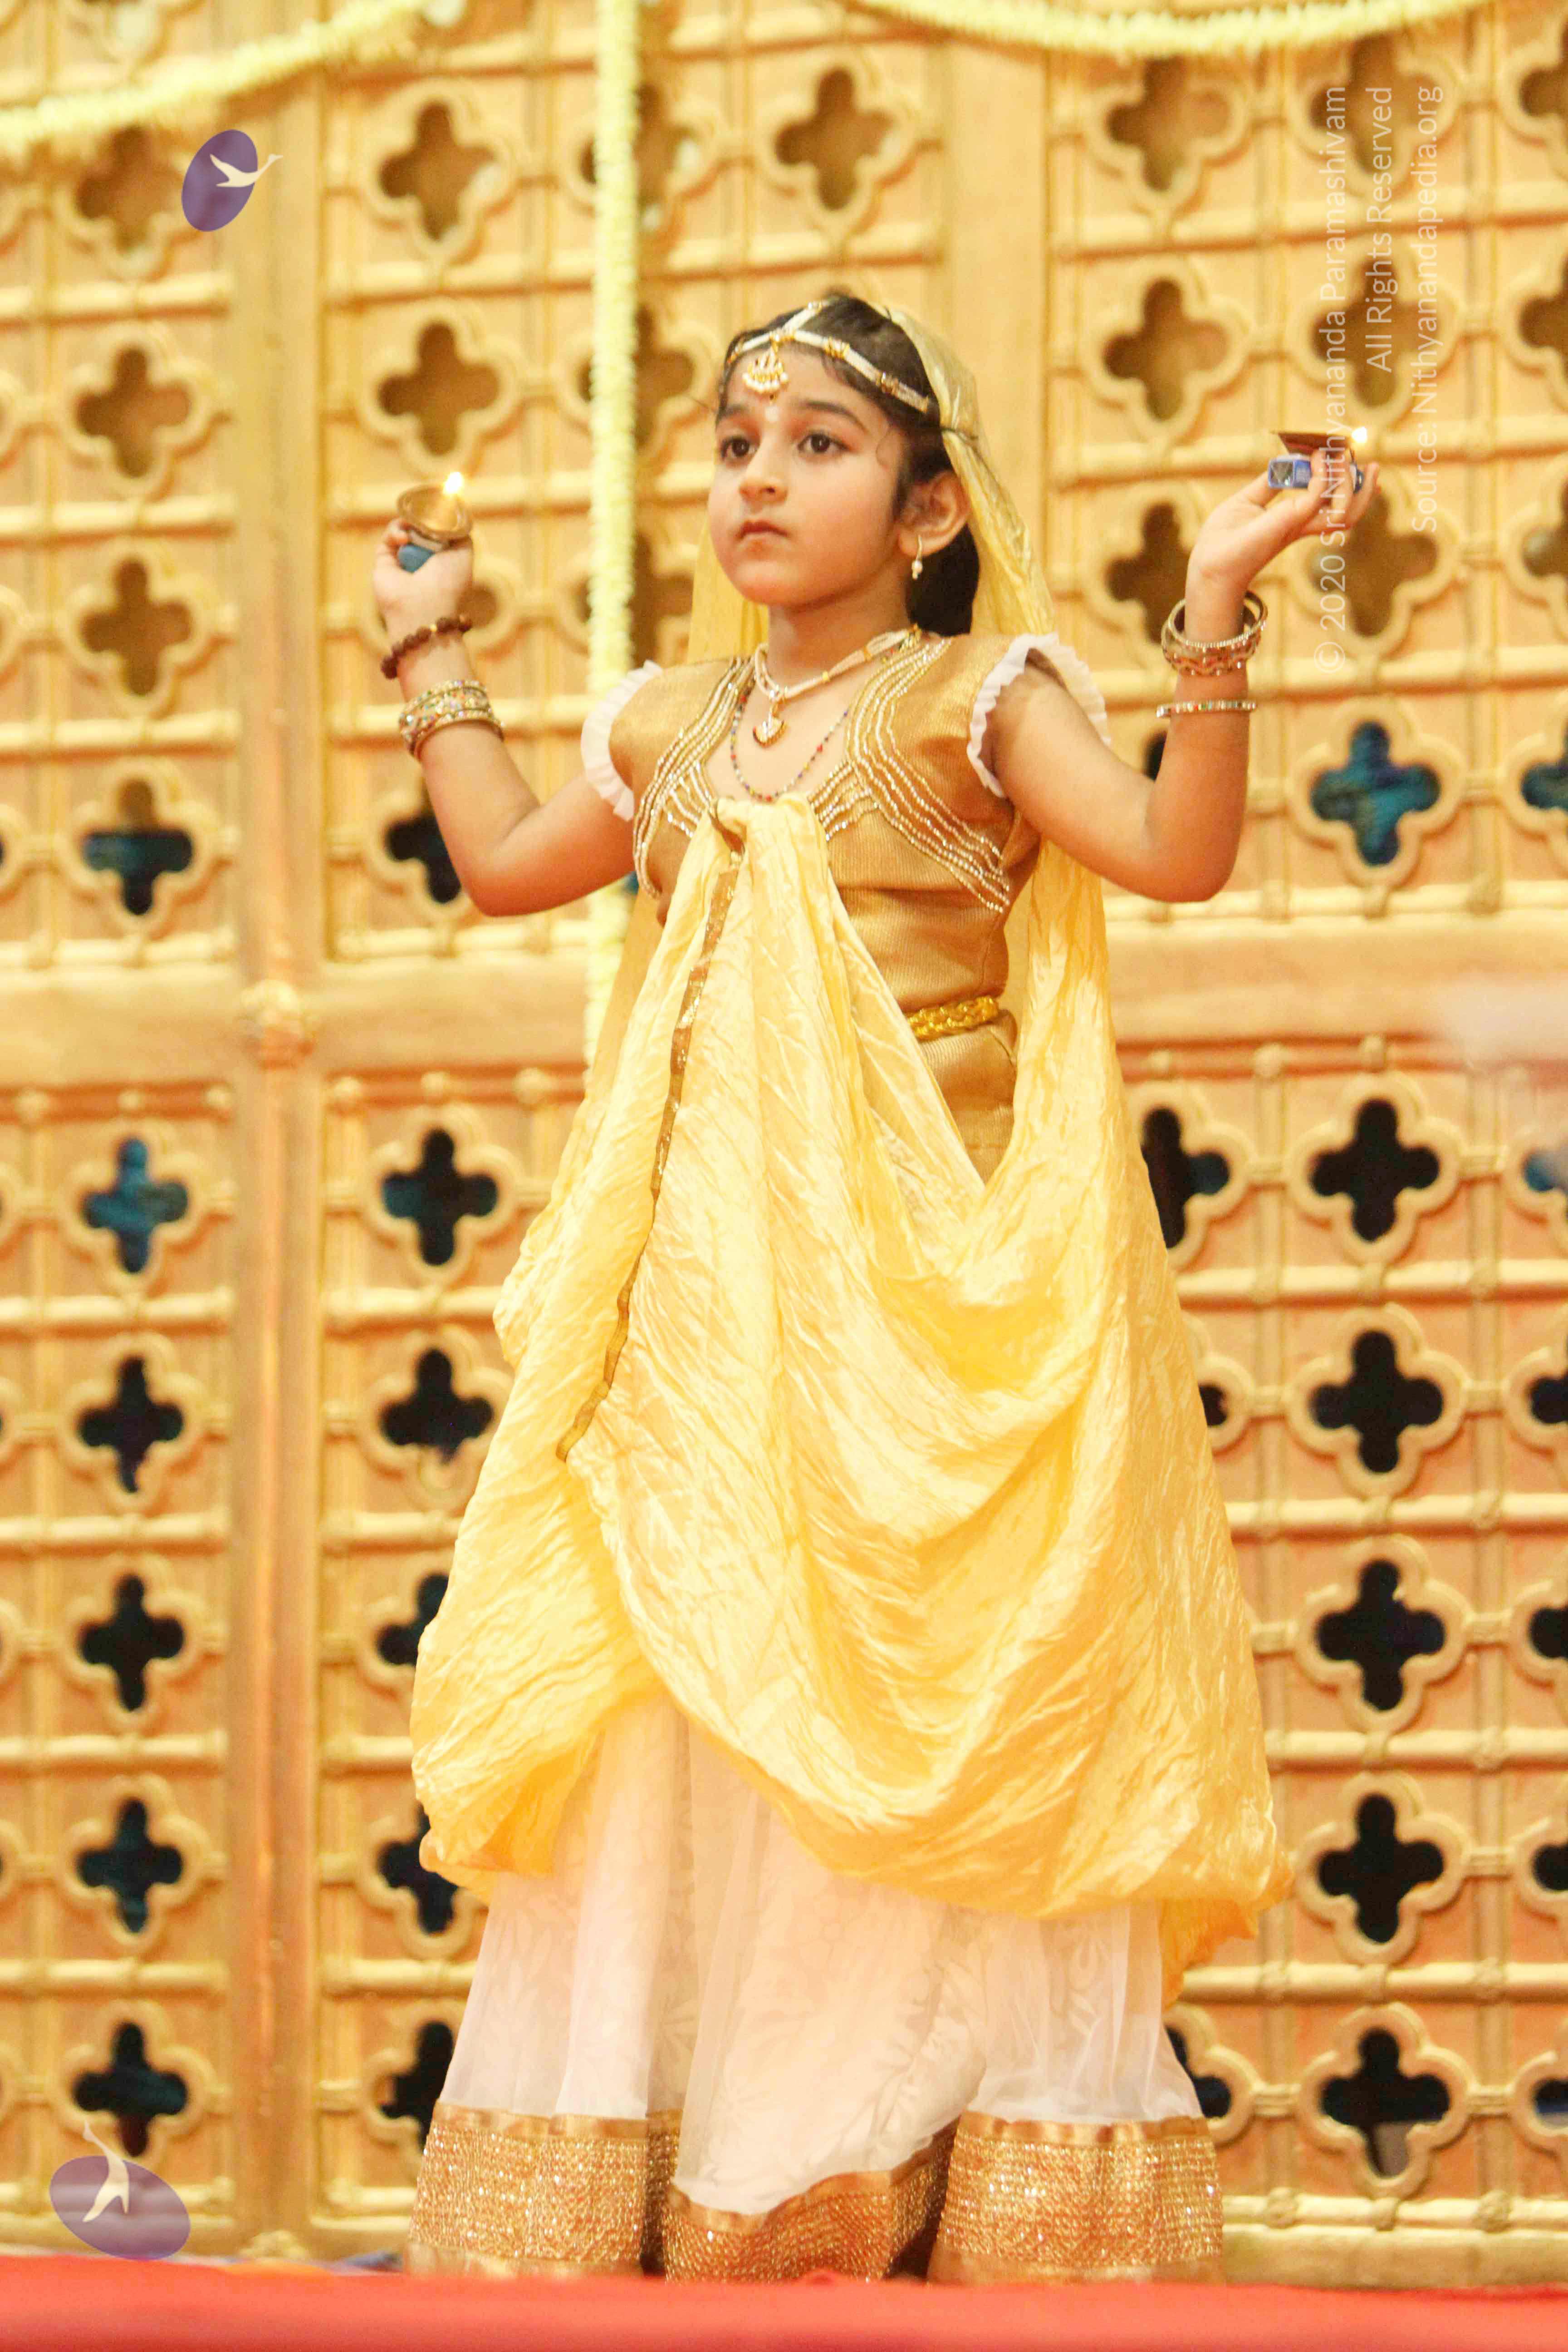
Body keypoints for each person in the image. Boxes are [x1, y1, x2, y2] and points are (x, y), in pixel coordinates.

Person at [372, 293, 1374, 2285]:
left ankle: (910, 2181)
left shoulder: (974, 701)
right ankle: (702, 2184)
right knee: (695, 1716)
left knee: (931, 1709)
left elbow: (1172, 856)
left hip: (925, 1331)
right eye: (738, 445)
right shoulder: (662, 724)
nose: (759, 480)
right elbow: (504, 865)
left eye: (819, 445)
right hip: (703, 1337)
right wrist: (430, 648)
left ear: (927, 509)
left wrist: (1215, 608)